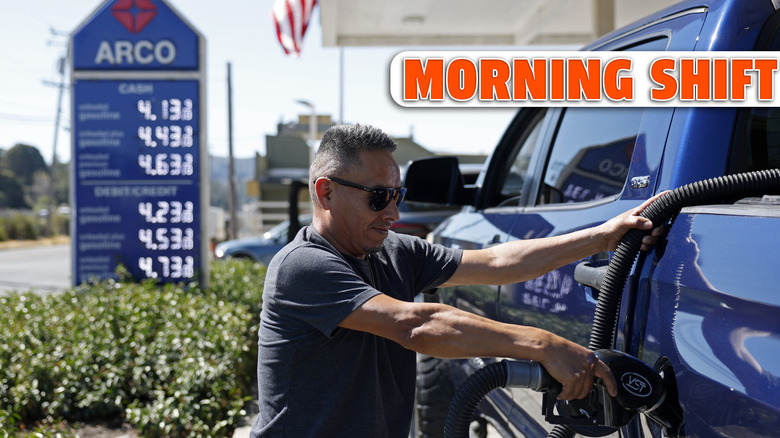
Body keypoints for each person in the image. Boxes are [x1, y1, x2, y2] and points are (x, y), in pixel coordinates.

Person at [250, 124, 665, 438]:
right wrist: (544, 344)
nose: (392, 214)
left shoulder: (394, 250)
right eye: (378, 197)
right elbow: (417, 325)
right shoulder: (301, 267)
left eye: (398, 195)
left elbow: (499, 262)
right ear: (325, 194)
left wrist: (603, 235)